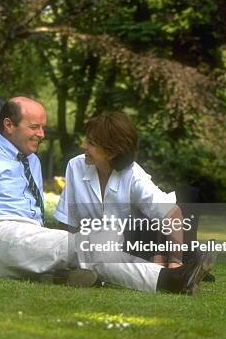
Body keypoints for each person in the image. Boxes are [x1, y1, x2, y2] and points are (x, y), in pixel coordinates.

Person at [0, 97, 215, 295]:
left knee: (90, 246)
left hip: (24, 237)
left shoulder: (31, 160)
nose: (42, 134)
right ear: (9, 125)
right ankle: (171, 280)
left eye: (43, 127)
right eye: (34, 127)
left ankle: (66, 276)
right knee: (89, 244)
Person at [55, 111, 187, 268]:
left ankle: (175, 260)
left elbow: (172, 214)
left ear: (111, 152)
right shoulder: (75, 166)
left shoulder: (133, 175)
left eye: (91, 143)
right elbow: (66, 221)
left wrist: (175, 263)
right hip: (97, 247)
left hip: (138, 244)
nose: (83, 146)